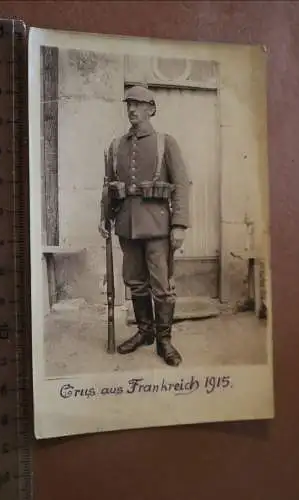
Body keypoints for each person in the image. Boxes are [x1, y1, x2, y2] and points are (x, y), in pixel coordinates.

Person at [99, 84, 190, 367]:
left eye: (138, 104)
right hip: (127, 224)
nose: (132, 109)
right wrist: (105, 216)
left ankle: (164, 341)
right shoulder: (116, 146)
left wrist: (179, 224)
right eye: (129, 104)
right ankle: (145, 332)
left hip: (158, 226)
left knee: (161, 286)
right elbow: (108, 186)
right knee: (135, 282)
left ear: (151, 109)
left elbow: (181, 185)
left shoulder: (166, 142)